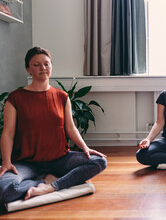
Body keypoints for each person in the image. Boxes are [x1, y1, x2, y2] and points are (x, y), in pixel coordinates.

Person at [0, 47, 107, 203]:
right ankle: (43, 182)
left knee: (99, 161)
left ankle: (51, 185)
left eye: (46, 64)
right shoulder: (15, 98)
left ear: (51, 66)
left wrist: (85, 148)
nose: (43, 68)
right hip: (26, 163)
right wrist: (6, 162)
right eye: (36, 65)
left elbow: (70, 128)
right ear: (28, 69)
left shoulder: (62, 96)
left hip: (60, 159)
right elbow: (7, 133)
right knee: (6, 191)